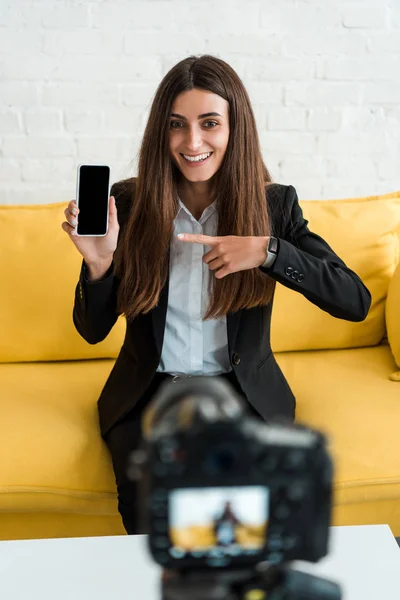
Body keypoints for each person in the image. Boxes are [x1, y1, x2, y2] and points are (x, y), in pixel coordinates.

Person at [62, 55, 371, 535]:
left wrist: (269, 252)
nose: (192, 142)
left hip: (240, 392)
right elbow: (91, 331)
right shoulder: (127, 203)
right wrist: (99, 264)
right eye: (176, 125)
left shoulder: (274, 206)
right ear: (160, 134)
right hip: (149, 394)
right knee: (153, 521)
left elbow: (354, 301)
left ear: (235, 130)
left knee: (243, 523)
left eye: (209, 124)